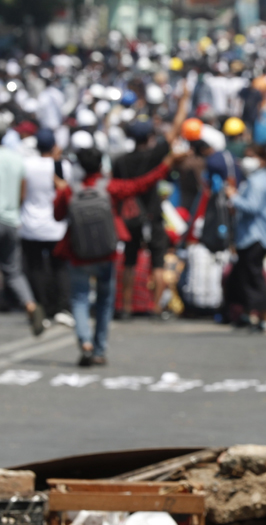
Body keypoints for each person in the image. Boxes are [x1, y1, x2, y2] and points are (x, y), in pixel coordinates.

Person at [53, 147, 178, 366]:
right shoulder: (109, 187)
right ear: (101, 166)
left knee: (80, 300)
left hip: (77, 254)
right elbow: (141, 184)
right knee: (105, 302)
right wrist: (167, 164)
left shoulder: (70, 191)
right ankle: (100, 349)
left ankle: (85, 342)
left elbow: (57, 215)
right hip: (106, 253)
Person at [112, 87, 191, 321]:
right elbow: (176, 129)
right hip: (153, 213)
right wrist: (184, 100)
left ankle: (126, 306)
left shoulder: (121, 161)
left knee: (129, 260)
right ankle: (154, 307)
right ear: (149, 137)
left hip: (130, 215)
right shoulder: (155, 155)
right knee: (157, 262)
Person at [0, 115, 44, 338]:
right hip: (12, 220)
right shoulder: (16, 159)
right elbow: (22, 193)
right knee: (13, 270)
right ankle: (30, 304)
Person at [20, 128, 72, 326]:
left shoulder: (27, 165)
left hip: (31, 223)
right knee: (59, 268)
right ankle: (59, 307)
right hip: (55, 225)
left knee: (35, 269)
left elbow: (22, 194)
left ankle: (41, 307)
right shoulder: (62, 166)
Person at [227, 145, 266, 335]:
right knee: (246, 276)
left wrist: (233, 197)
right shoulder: (262, 179)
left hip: (255, 236)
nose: (247, 160)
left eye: (252, 156)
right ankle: (251, 315)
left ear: (262, 160)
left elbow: (252, 207)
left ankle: (265, 318)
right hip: (255, 235)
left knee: (254, 278)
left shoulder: (257, 181)